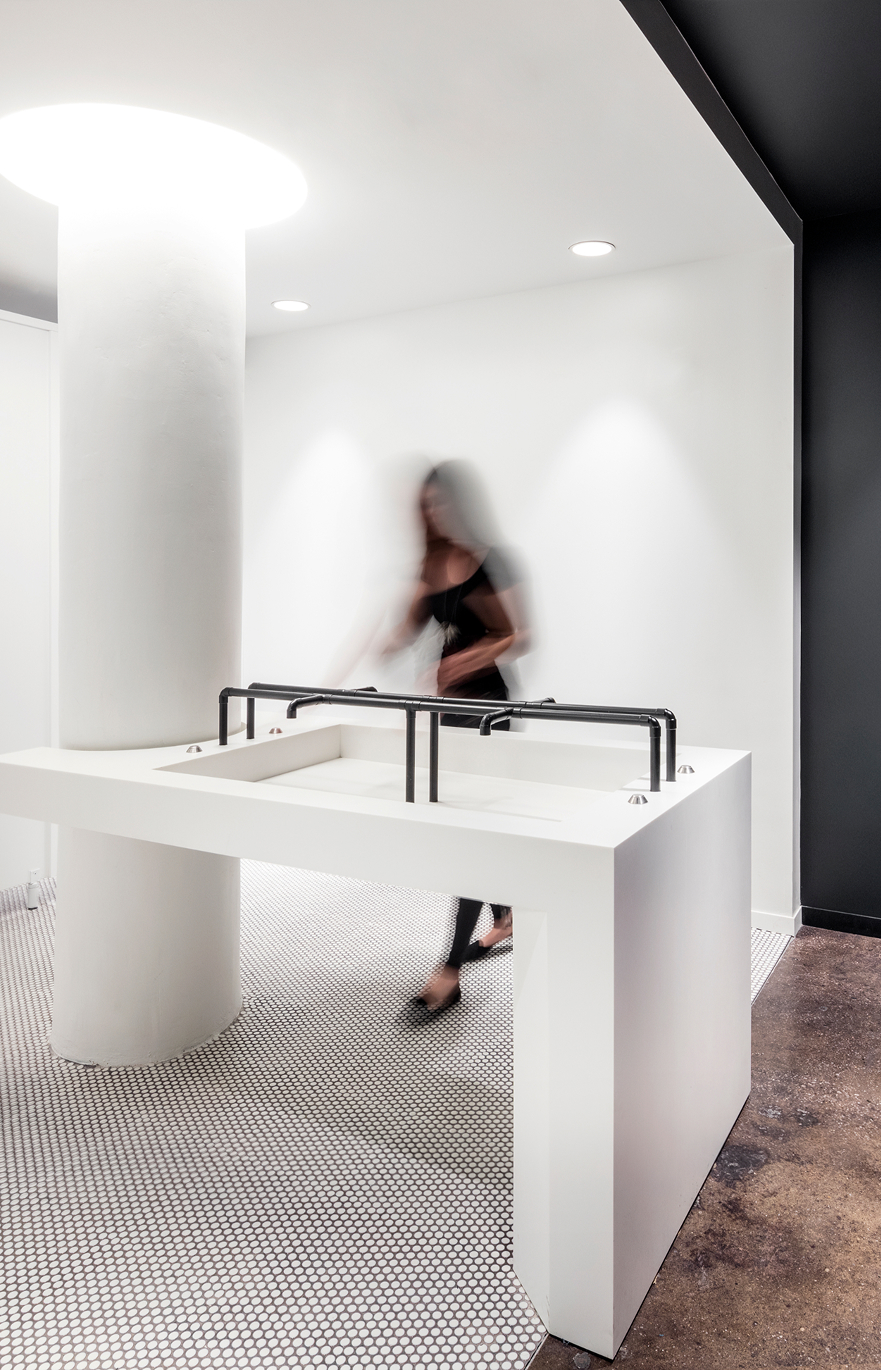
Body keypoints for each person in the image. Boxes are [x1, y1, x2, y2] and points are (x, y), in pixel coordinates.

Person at [383, 460, 530, 1015]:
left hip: (488, 708)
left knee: (473, 831)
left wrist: (467, 659)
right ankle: (505, 916)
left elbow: (517, 634)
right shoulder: (429, 566)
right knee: (472, 824)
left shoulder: (488, 562)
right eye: (426, 506)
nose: (435, 513)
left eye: (441, 503)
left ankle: (449, 971)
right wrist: (392, 637)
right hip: (449, 710)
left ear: (459, 504)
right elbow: (408, 631)